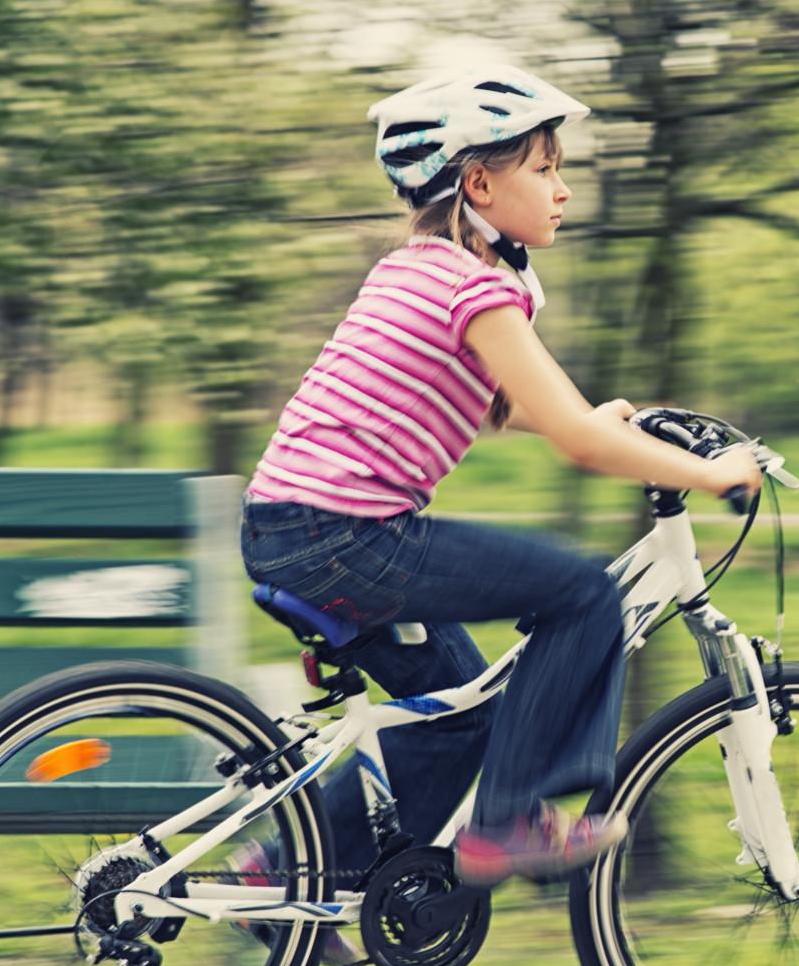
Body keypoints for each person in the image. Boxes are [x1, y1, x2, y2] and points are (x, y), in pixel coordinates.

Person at [236, 63, 763, 917]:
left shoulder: (417, 271)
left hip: (294, 526)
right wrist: (709, 473)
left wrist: (595, 416)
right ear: (478, 181)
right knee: (583, 593)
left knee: (458, 714)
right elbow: (578, 444)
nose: (562, 189)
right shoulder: (476, 288)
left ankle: (287, 868)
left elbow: (499, 406)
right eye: (545, 167)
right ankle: (510, 822)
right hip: (345, 535)